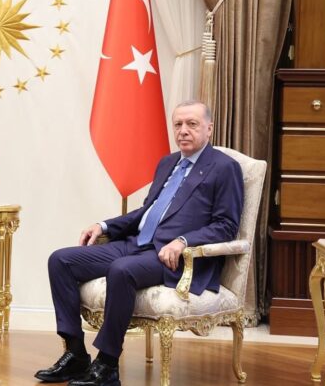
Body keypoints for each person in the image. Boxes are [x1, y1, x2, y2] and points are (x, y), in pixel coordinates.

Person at [35, 100, 243, 386]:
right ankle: (76, 355)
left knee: (121, 269)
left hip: (174, 257)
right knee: (61, 260)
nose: (183, 130)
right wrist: (104, 225)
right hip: (136, 244)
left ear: (209, 128)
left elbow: (226, 225)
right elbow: (147, 212)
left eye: (192, 124)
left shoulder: (224, 167)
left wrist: (183, 241)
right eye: (178, 124)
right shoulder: (168, 163)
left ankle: (107, 365)